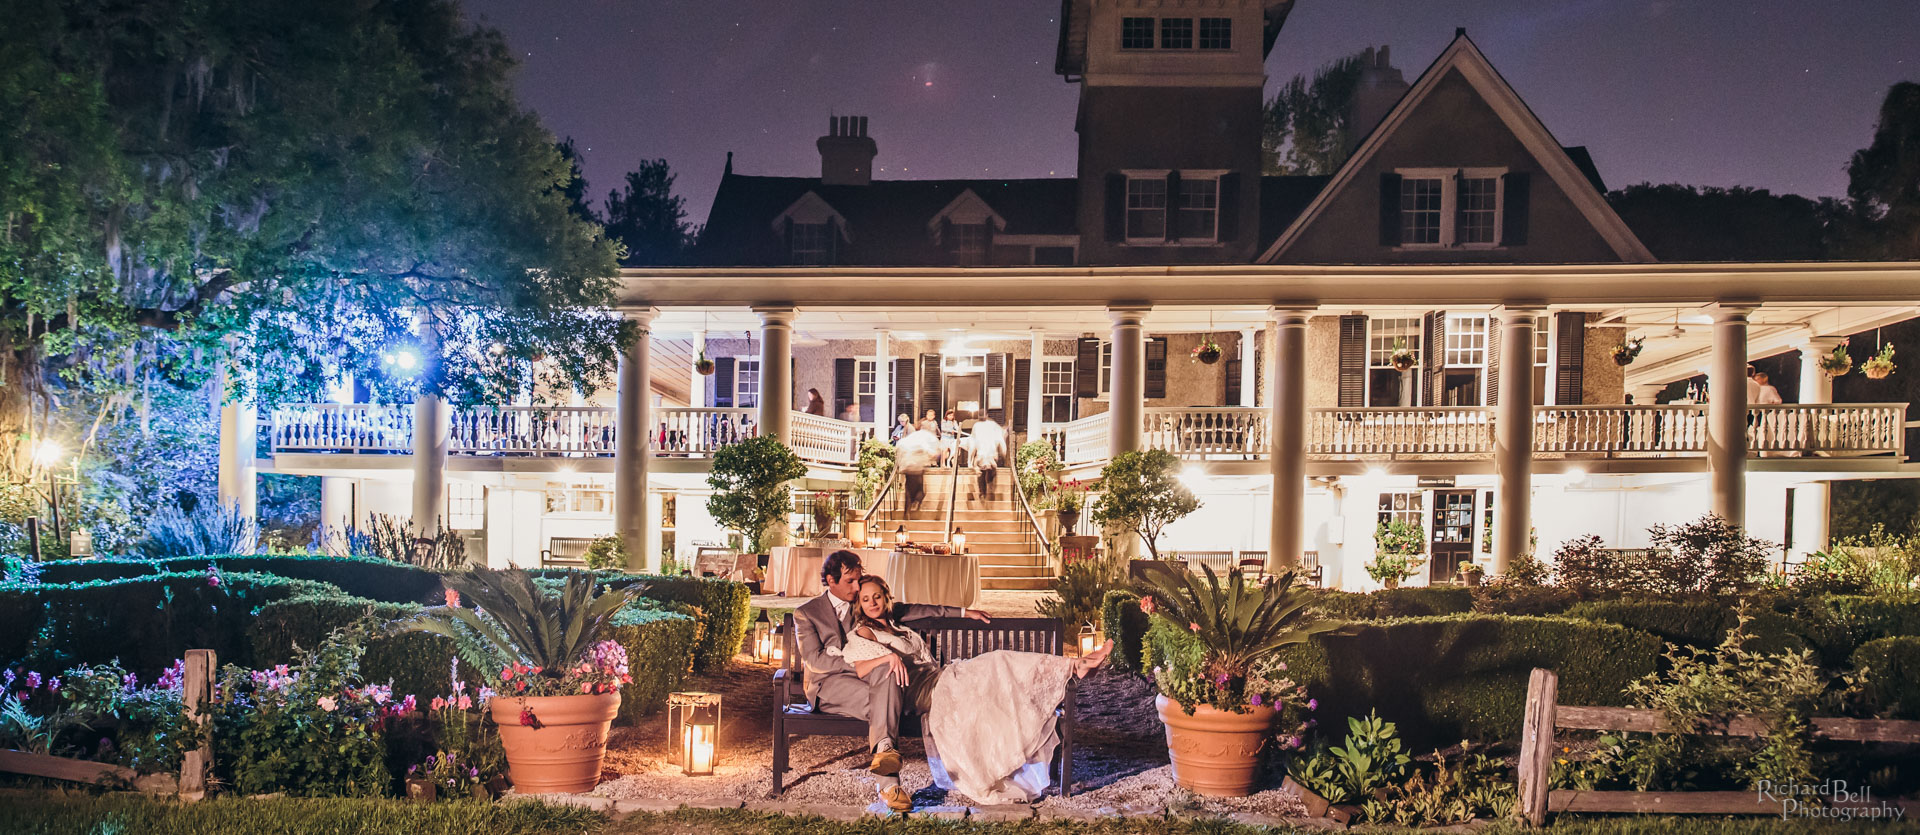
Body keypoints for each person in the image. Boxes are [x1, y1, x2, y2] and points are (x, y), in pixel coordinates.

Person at [844, 575, 1112, 806]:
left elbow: (932, 609)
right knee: (997, 661)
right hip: (922, 691)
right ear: (859, 604)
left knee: (999, 670)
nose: (872, 603)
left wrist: (966, 612)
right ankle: (1075, 667)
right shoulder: (865, 632)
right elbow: (861, 668)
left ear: (886, 598)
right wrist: (887, 658)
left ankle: (1073, 667)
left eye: (877, 596)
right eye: (865, 599)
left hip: (940, 678)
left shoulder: (895, 622)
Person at [790, 552, 993, 812]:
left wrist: (964, 612)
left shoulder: (863, 602)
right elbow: (815, 659)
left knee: (886, 677)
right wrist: (863, 664)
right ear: (831, 580)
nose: (857, 587)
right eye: (850, 581)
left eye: (858, 579)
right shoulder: (807, 613)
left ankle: (886, 776)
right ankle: (887, 777)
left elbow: (912, 609)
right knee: (885, 684)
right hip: (830, 684)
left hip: (876, 681)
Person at [895, 423, 940, 511]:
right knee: (920, 489)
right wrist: (933, 457)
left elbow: (900, 445)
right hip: (917, 467)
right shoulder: (924, 437)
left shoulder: (911, 437)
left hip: (906, 466)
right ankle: (916, 502)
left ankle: (907, 511)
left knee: (908, 488)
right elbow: (929, 450)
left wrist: (900, 462)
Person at [967, 413, 1007, 501]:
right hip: (982, 453)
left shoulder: (991, 425)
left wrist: (1002, 451)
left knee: (989, 470)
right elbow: (973, 438)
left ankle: (987, 485)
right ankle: (983, 492)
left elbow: (1000, 437)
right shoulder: (977, 426)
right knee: (982, 473)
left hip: (990, 453)